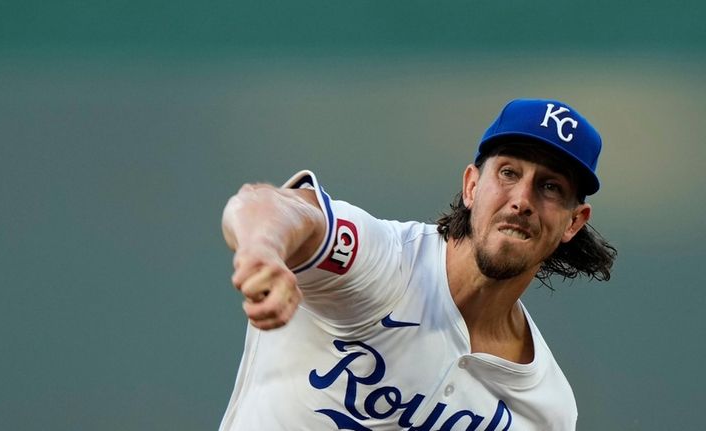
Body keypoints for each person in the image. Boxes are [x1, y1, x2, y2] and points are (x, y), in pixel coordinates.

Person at [219, 98, 617, 431]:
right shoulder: (387, 264)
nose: (522, 199)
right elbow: (266, 204)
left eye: (550, 187)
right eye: (509, 172)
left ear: (574, 222)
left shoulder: (546, 410)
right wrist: (264, 250)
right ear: (472, 186)